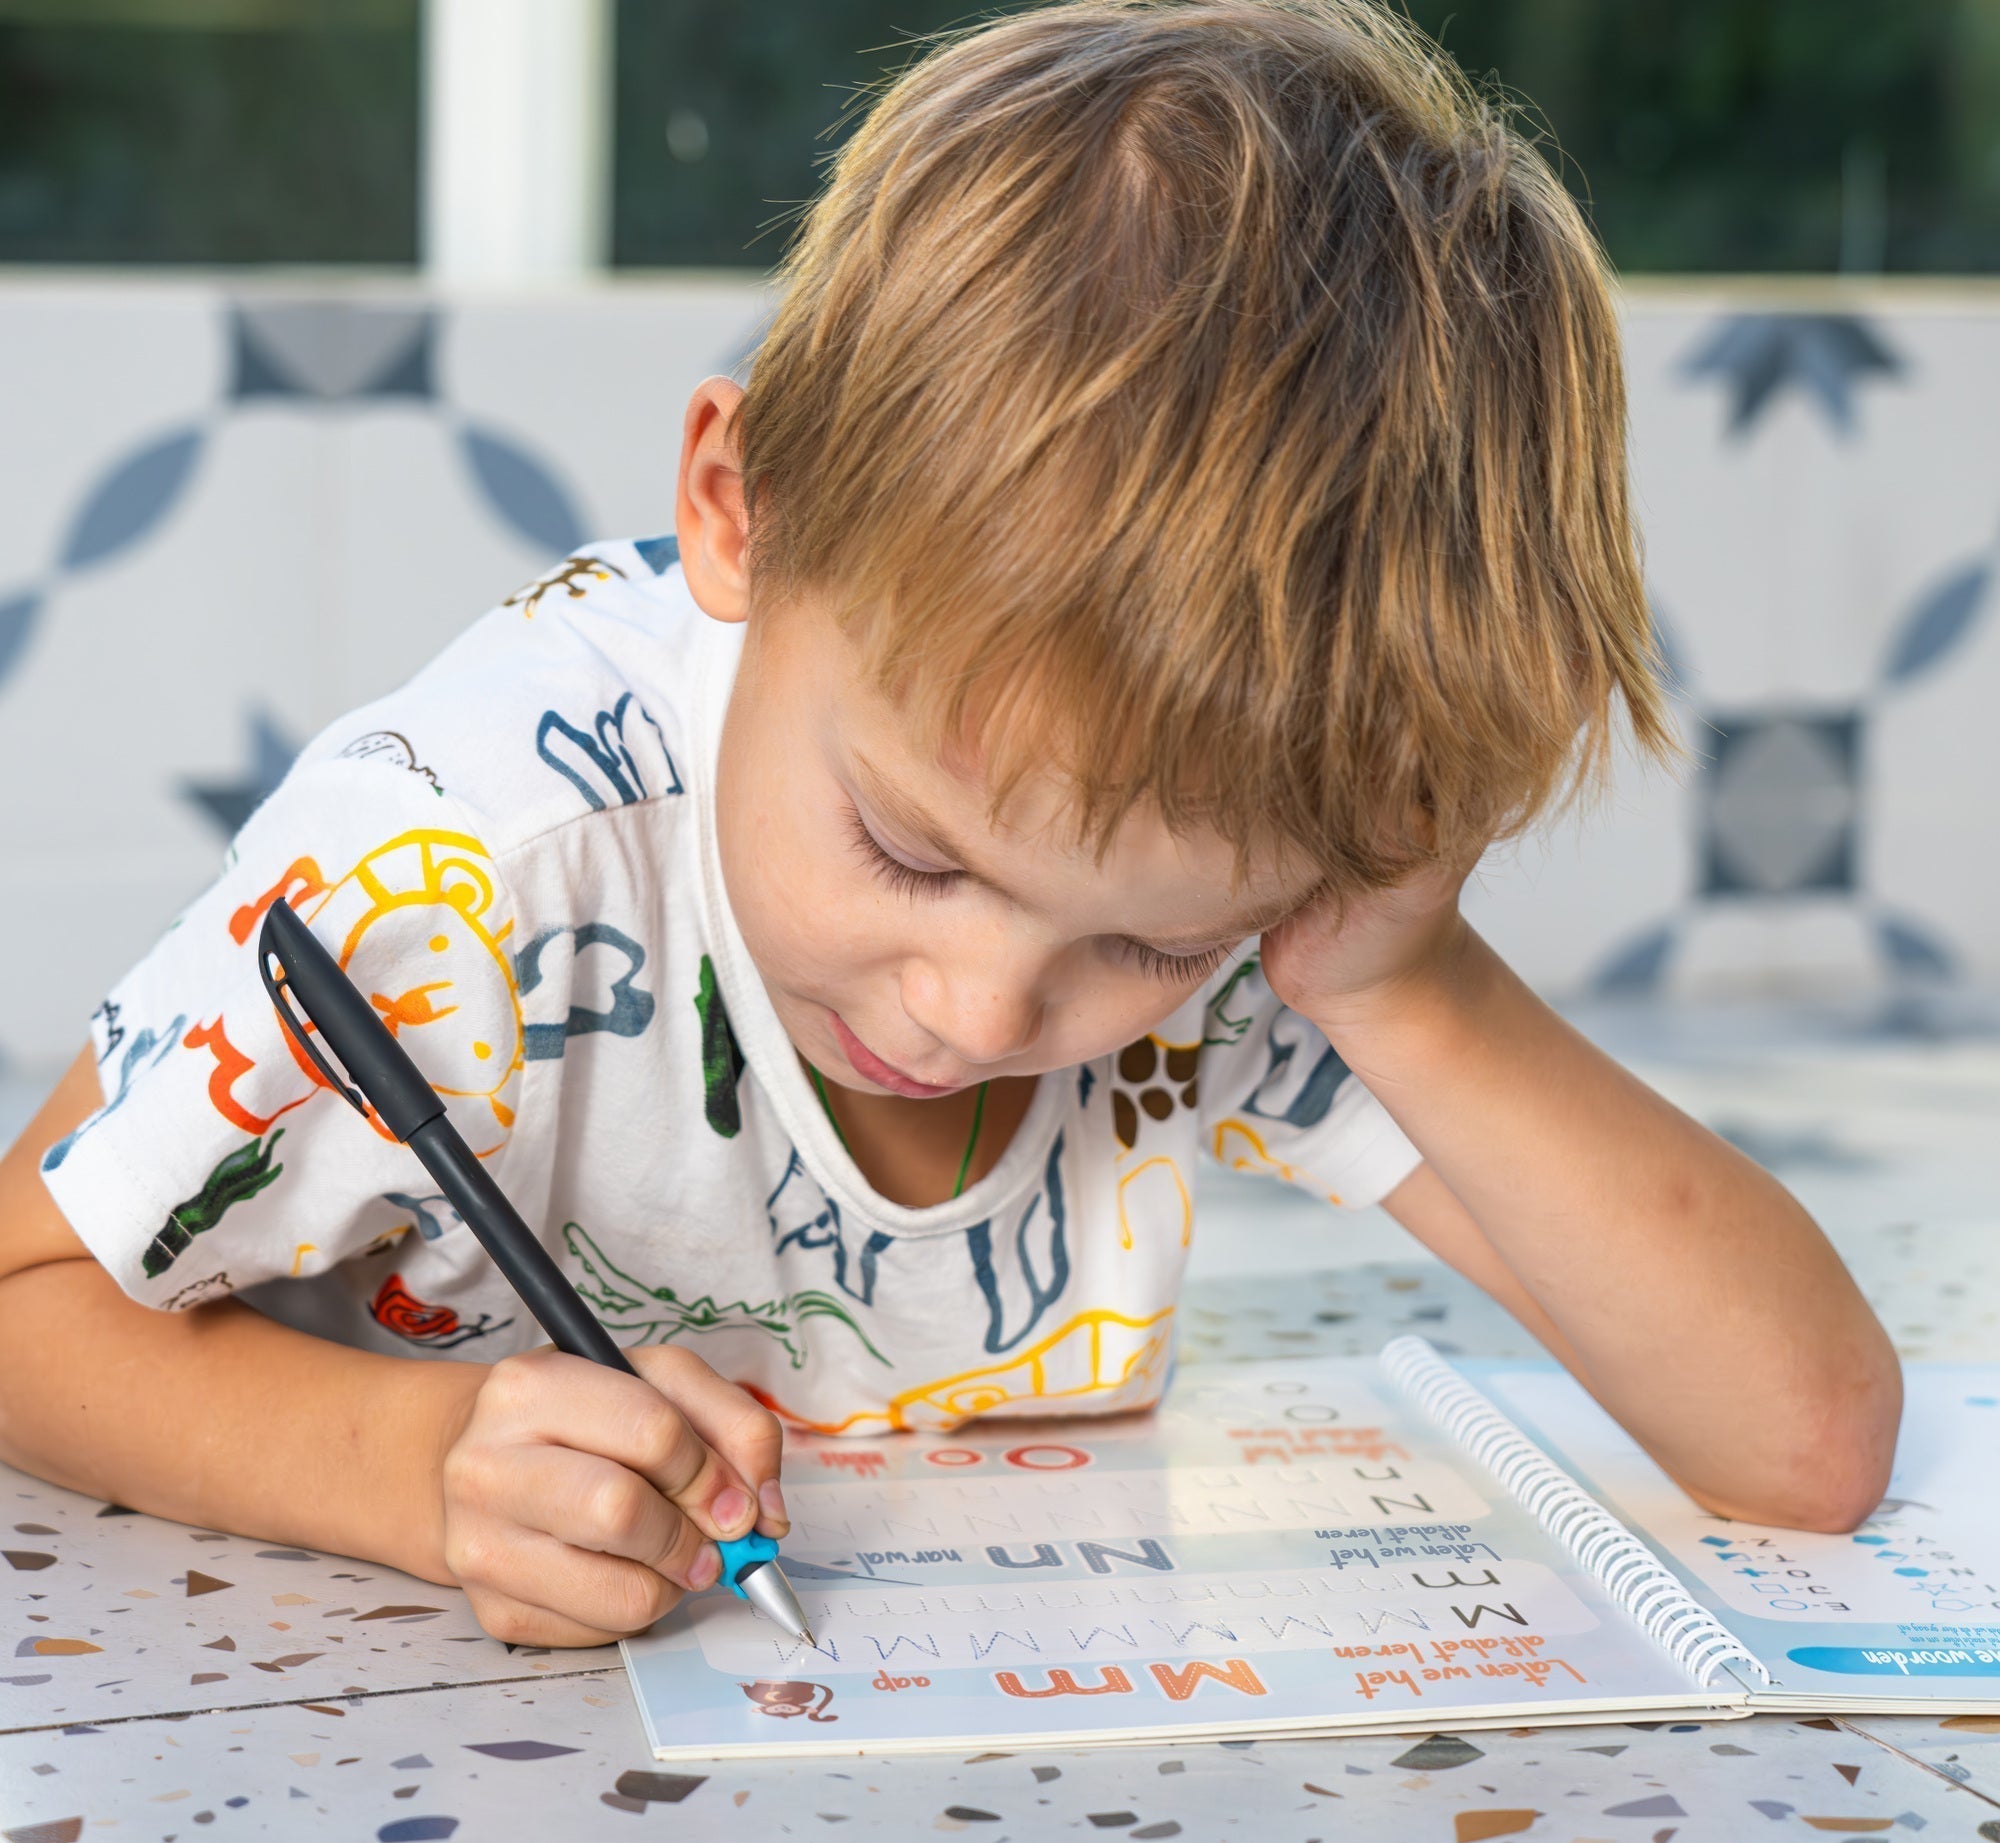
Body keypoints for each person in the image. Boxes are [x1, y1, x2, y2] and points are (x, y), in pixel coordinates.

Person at [0, 0, 1899, 1650]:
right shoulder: (466, 870)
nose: (984, 1013)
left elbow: (1799, 1447)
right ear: (739, 510)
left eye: (1148, 948)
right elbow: (25, 1299)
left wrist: (1408, 989)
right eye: (911, 854)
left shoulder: (1267, 906)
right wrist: (416, 1473)